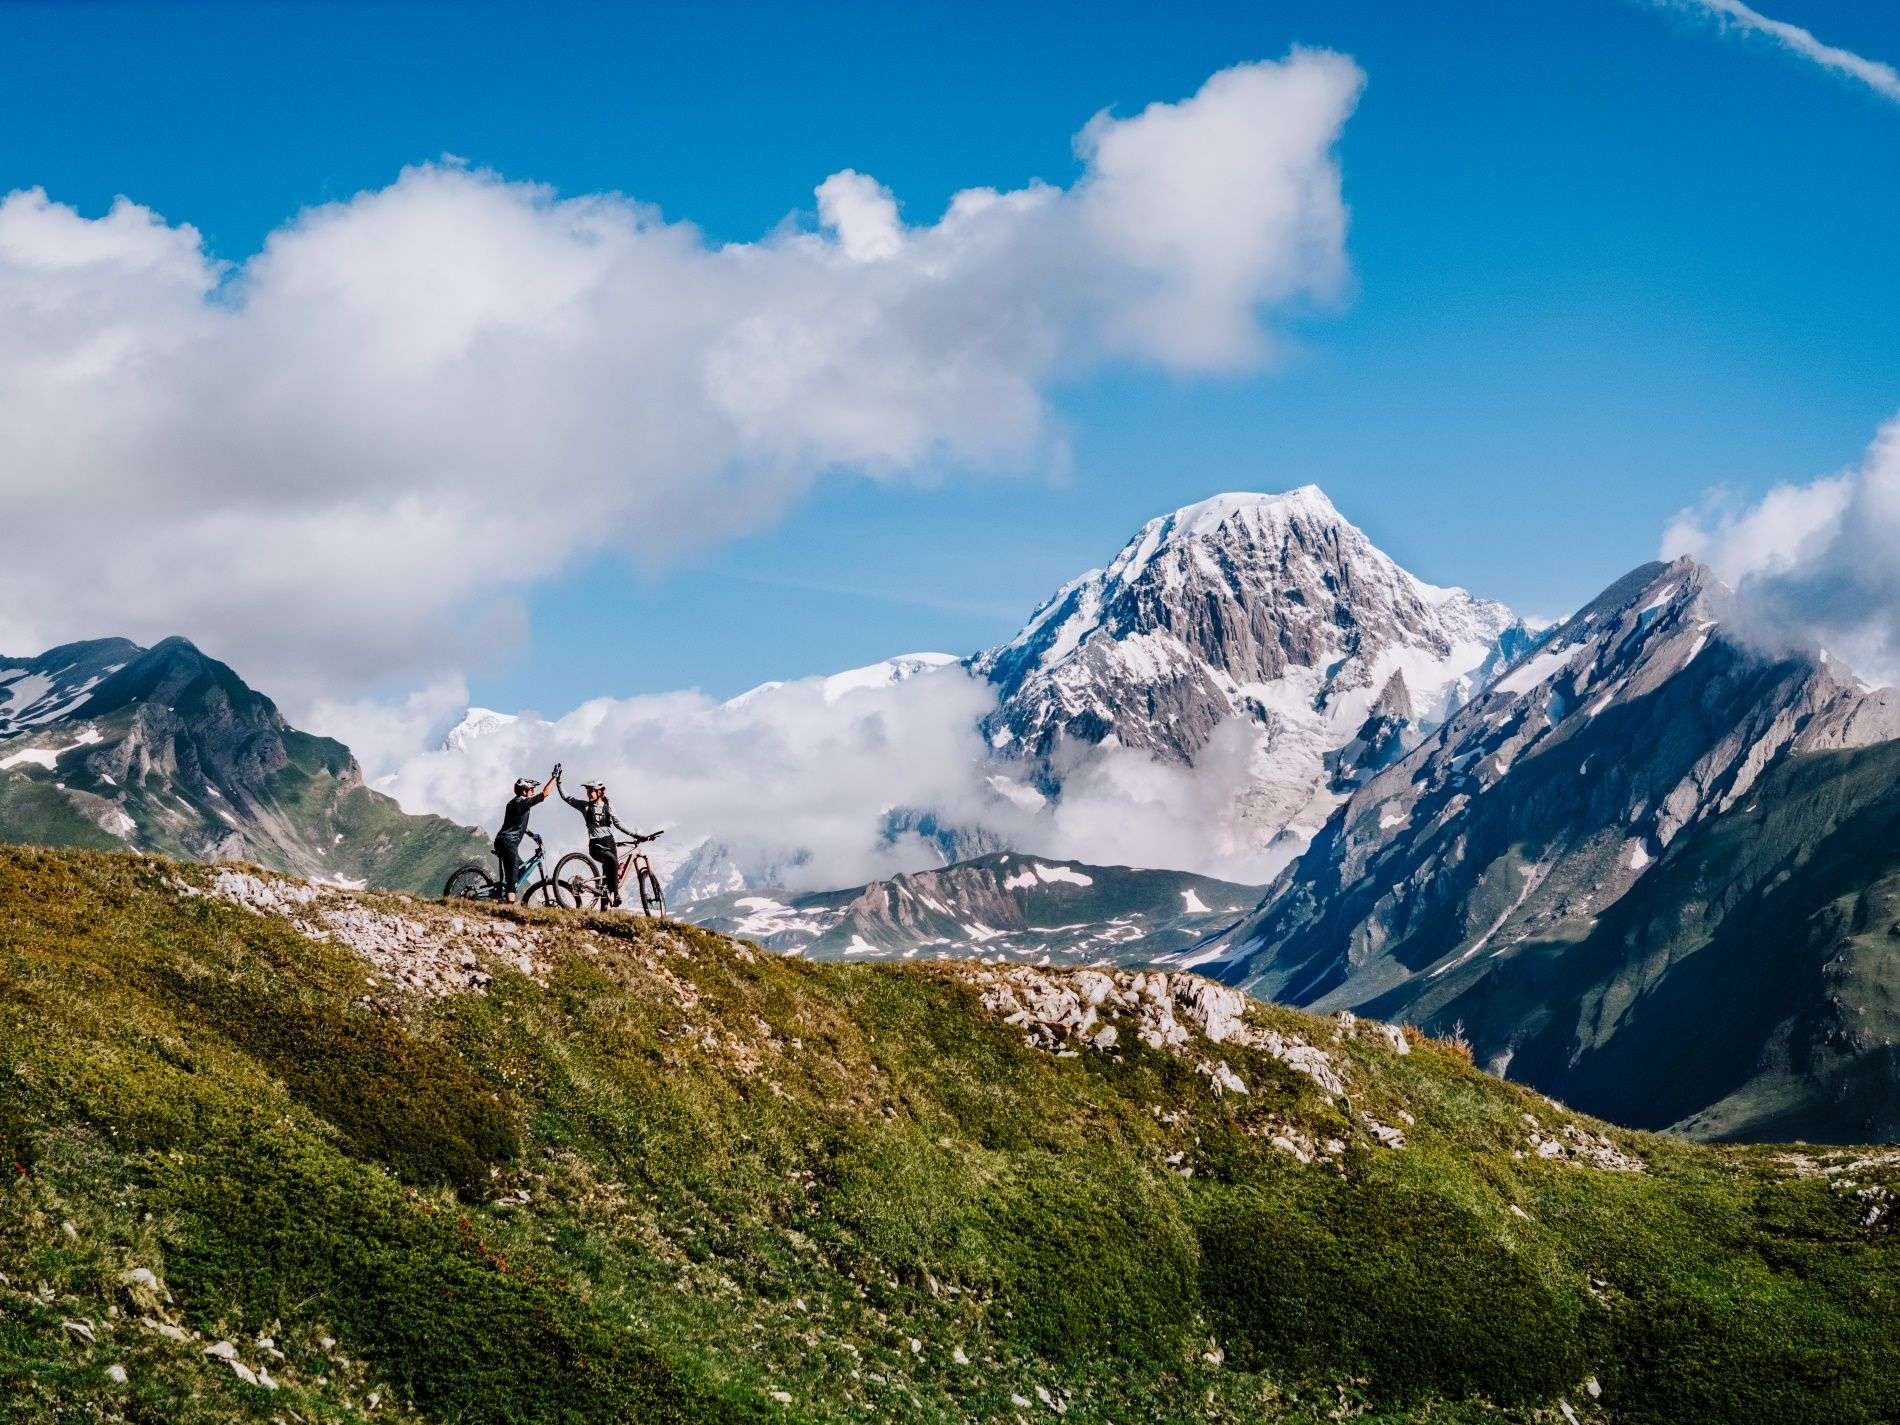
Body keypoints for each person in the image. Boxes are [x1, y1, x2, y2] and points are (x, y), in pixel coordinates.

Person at [563, 778, 635, 907]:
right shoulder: (585, 806)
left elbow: (618, 823)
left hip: (609, 842)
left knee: (607, 875)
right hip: (596, 844)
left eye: (591, 790)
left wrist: (634, 834)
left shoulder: (608, 806)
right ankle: (616, 894)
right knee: (612, 860)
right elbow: (567, 798)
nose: (588, 793)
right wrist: (558, 783)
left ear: (599, 792)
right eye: (587, 791)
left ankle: (604, 908)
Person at [495, 764, 560, 902]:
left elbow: (517, 824)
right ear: (524, 791)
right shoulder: (520, 803)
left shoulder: (515, 803)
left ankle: (503, 894)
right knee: (513, 876)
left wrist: (531, 834)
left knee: (520, 869)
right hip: (508, 843)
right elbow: (545, 793)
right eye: (531, 789)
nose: (533, 791)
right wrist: (554, 777)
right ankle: (509, 904)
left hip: (504, 841)